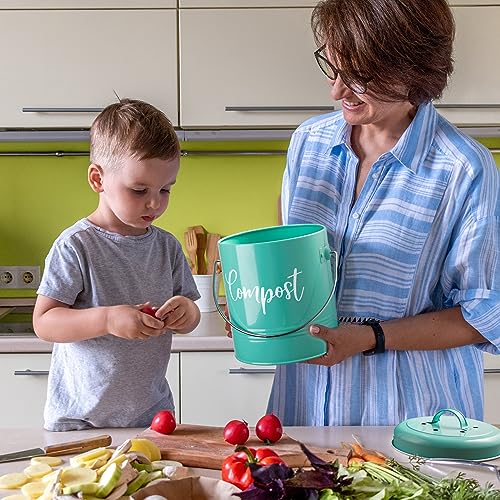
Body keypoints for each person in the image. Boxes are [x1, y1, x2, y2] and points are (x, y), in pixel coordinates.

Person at [267, 0, 500, 426]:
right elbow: (293, 261)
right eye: (333, 68)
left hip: (412, 416)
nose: (336, 91)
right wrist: (261, 315)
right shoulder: (309, 143)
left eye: (359, 78)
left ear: (414, 70)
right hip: (303, 405)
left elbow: (483, 315)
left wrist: (368, 338)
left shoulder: (463, 167)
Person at [33, 99, 201, 431]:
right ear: (98, 179)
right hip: (80, 422)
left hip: (151, 418)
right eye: (139, 190)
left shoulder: (166, 246)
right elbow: (44, 322)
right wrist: (108, 318)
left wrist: (187, 314)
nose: (154, 202)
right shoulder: (76, 245)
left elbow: (191, 313)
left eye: (165, 189)